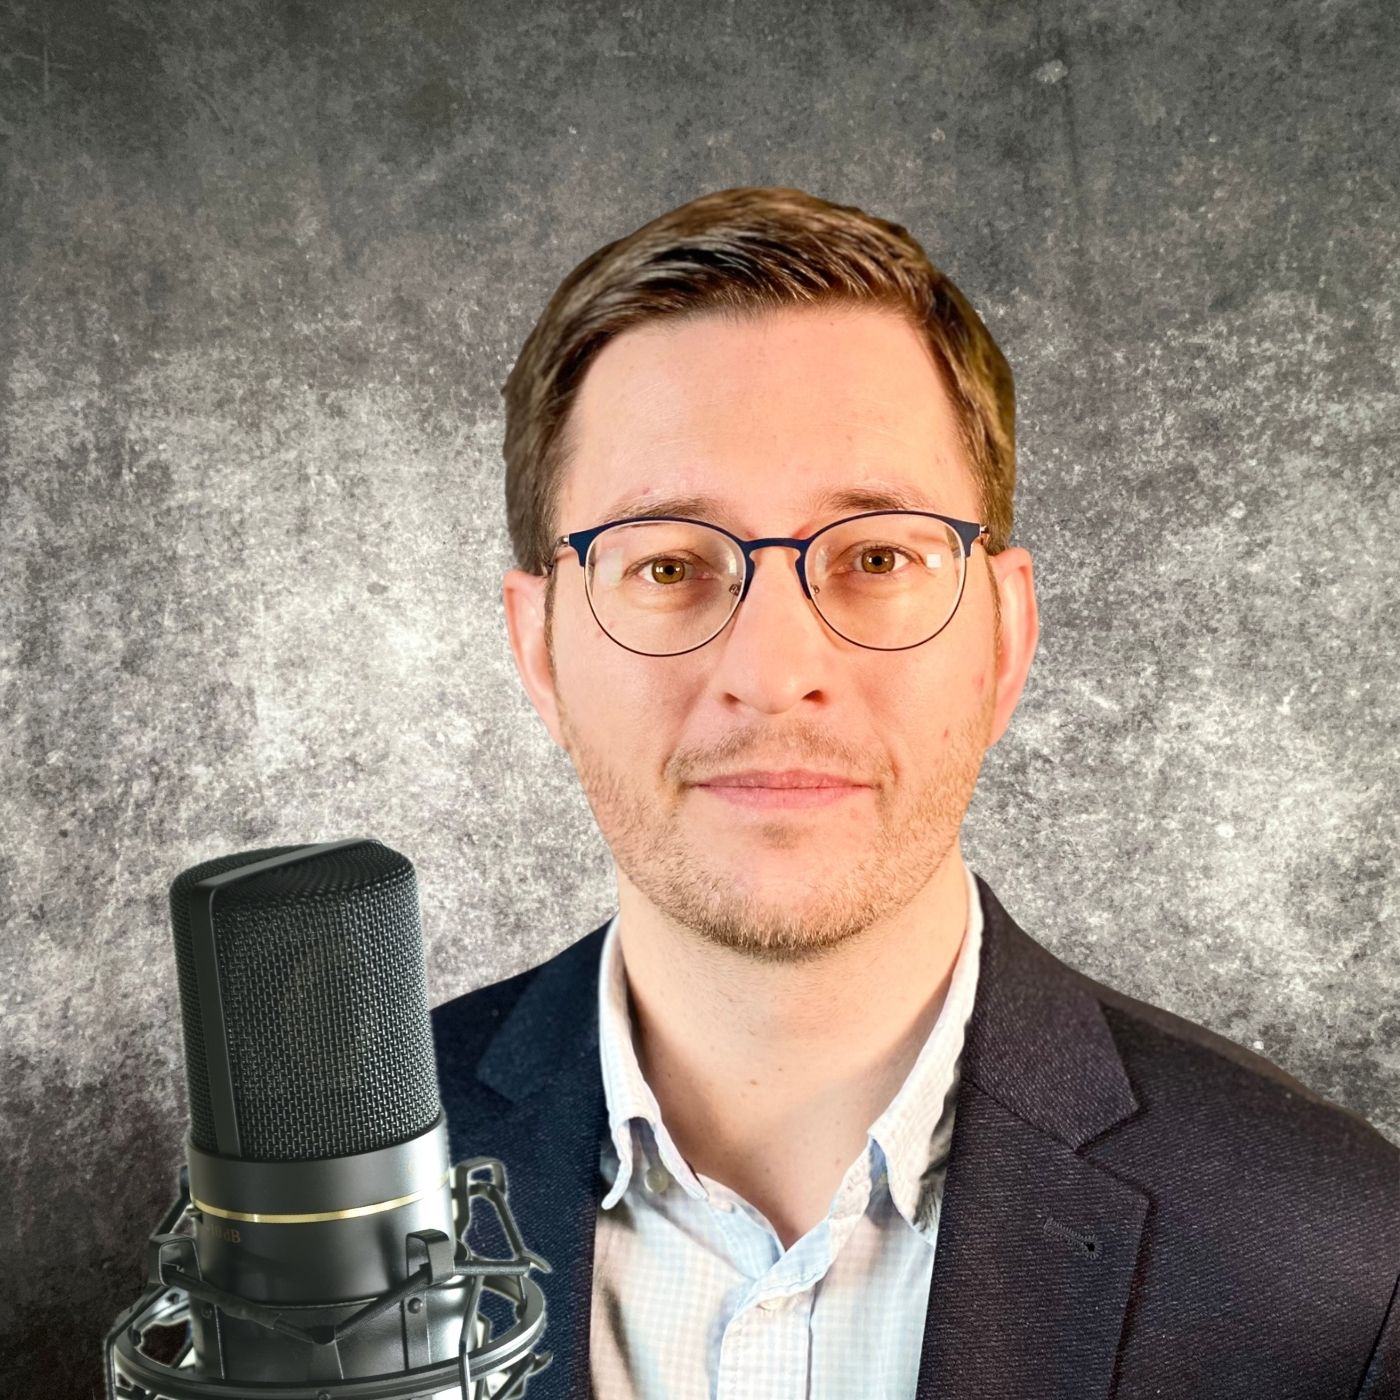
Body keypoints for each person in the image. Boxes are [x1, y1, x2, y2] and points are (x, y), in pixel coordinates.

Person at [430, 187, 1398, 1400]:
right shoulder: (281, 1200)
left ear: (1003, 635)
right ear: (539, 648)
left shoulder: (1340, 1271)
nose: (773, 672)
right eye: (667, 563)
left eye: (877, 555)